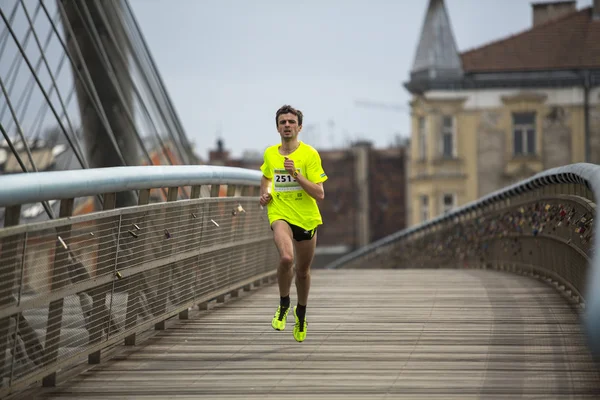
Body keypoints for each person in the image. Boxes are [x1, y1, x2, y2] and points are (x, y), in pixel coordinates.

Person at [259, 104, 327, 342]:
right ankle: (283, 304)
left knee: (302, 271)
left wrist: (297, 174)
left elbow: (319, 194)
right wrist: (265, 194)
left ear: (299, 127)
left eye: (290, 122)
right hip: (279, 213)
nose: (286, 125)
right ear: (277, 128)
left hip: (306, 218)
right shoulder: (270, 153)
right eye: (282, 122)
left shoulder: (310, 154)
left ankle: (301, 313)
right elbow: (267, 177)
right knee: (287, 258)